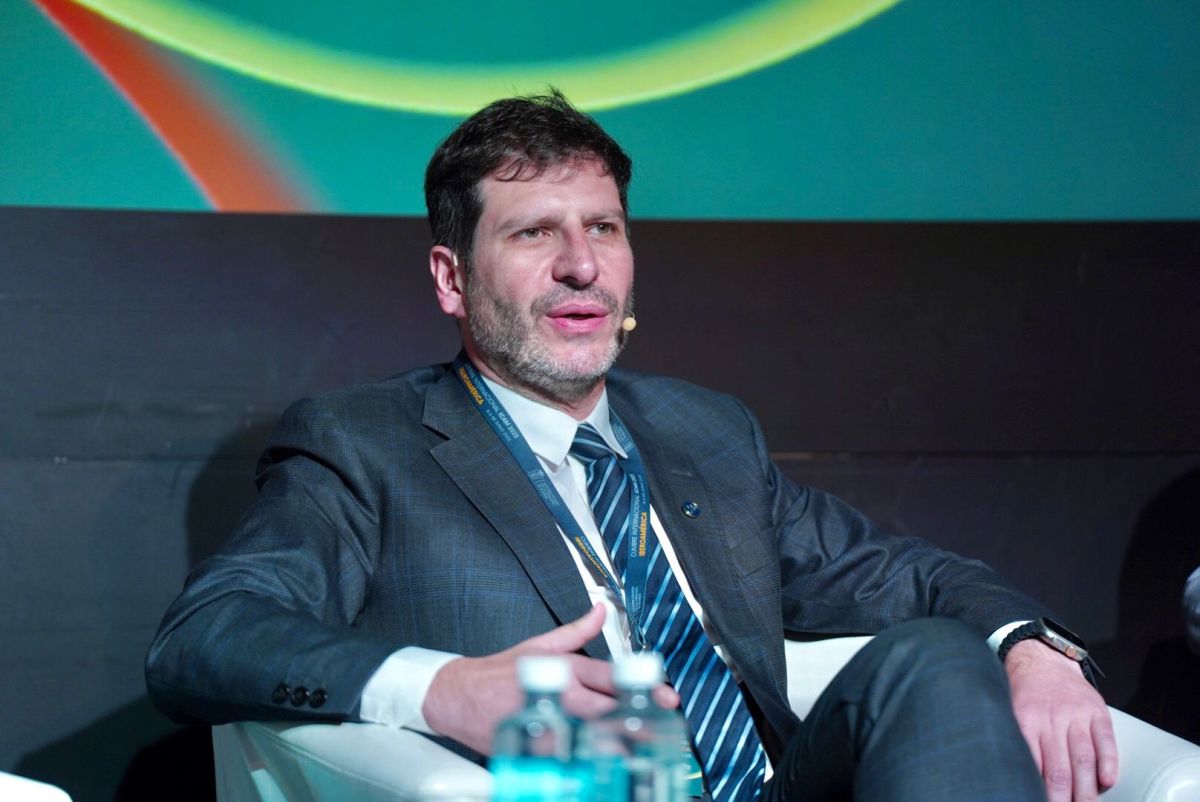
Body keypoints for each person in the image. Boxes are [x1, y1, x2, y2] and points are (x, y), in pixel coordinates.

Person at [146, 91, 1116, 801]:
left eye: (603, 227)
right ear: (451, 278)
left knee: (936, 657)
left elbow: (899, 575)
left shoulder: (704, 431)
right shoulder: (368, 443)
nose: (582, 264)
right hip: (590, 787)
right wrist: (444, 687)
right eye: (535, 233)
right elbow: (206, 637)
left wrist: (1030, 650)